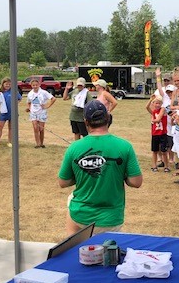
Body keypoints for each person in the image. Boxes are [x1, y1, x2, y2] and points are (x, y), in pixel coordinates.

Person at [58, 100, 142, 234]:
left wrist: (82, 173)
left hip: (80, 217)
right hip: (112, 220)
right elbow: (136, 182)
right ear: (108, 119)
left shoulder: (74, 147)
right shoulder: (125, 146)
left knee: (75, 248)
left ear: (86, 122)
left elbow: (63, 182)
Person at [26, 78, 56, 148]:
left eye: (36, 85)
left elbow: (53, 99)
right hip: (33, 112)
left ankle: (42, 143)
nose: (35, 86)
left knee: (41, 129)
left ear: (39, 85)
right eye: (33, 85)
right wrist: (29, 108)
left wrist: (47, 106)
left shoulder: (43, 92)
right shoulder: (30, 93)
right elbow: (29, 102)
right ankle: (38, 143)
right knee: (35, 127)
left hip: (42, 112)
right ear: (31, 86)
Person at [0, 77, 21, 147]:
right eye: (6, 84)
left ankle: (10, 142)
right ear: (3, 84)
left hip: (12, 112)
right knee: (0, 127)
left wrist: (16, 103)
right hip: (3, 113)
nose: (8, 85)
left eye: (9, 84)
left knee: (11, 128)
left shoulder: (14, 91)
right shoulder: (0, 92)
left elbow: (19, 98)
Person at [148, 95, 169, 172]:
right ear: (153, 104)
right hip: (155, 134)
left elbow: (158, 119)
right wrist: (150, 100)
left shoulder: (163, 110)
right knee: (155, 151)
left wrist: (153, 120)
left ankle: (166, 166)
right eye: (156, 103)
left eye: (159, 103)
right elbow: (147, 107)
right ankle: (154, 166)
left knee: (164, 151)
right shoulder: (153, 111)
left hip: (162, 133)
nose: (157, 105)